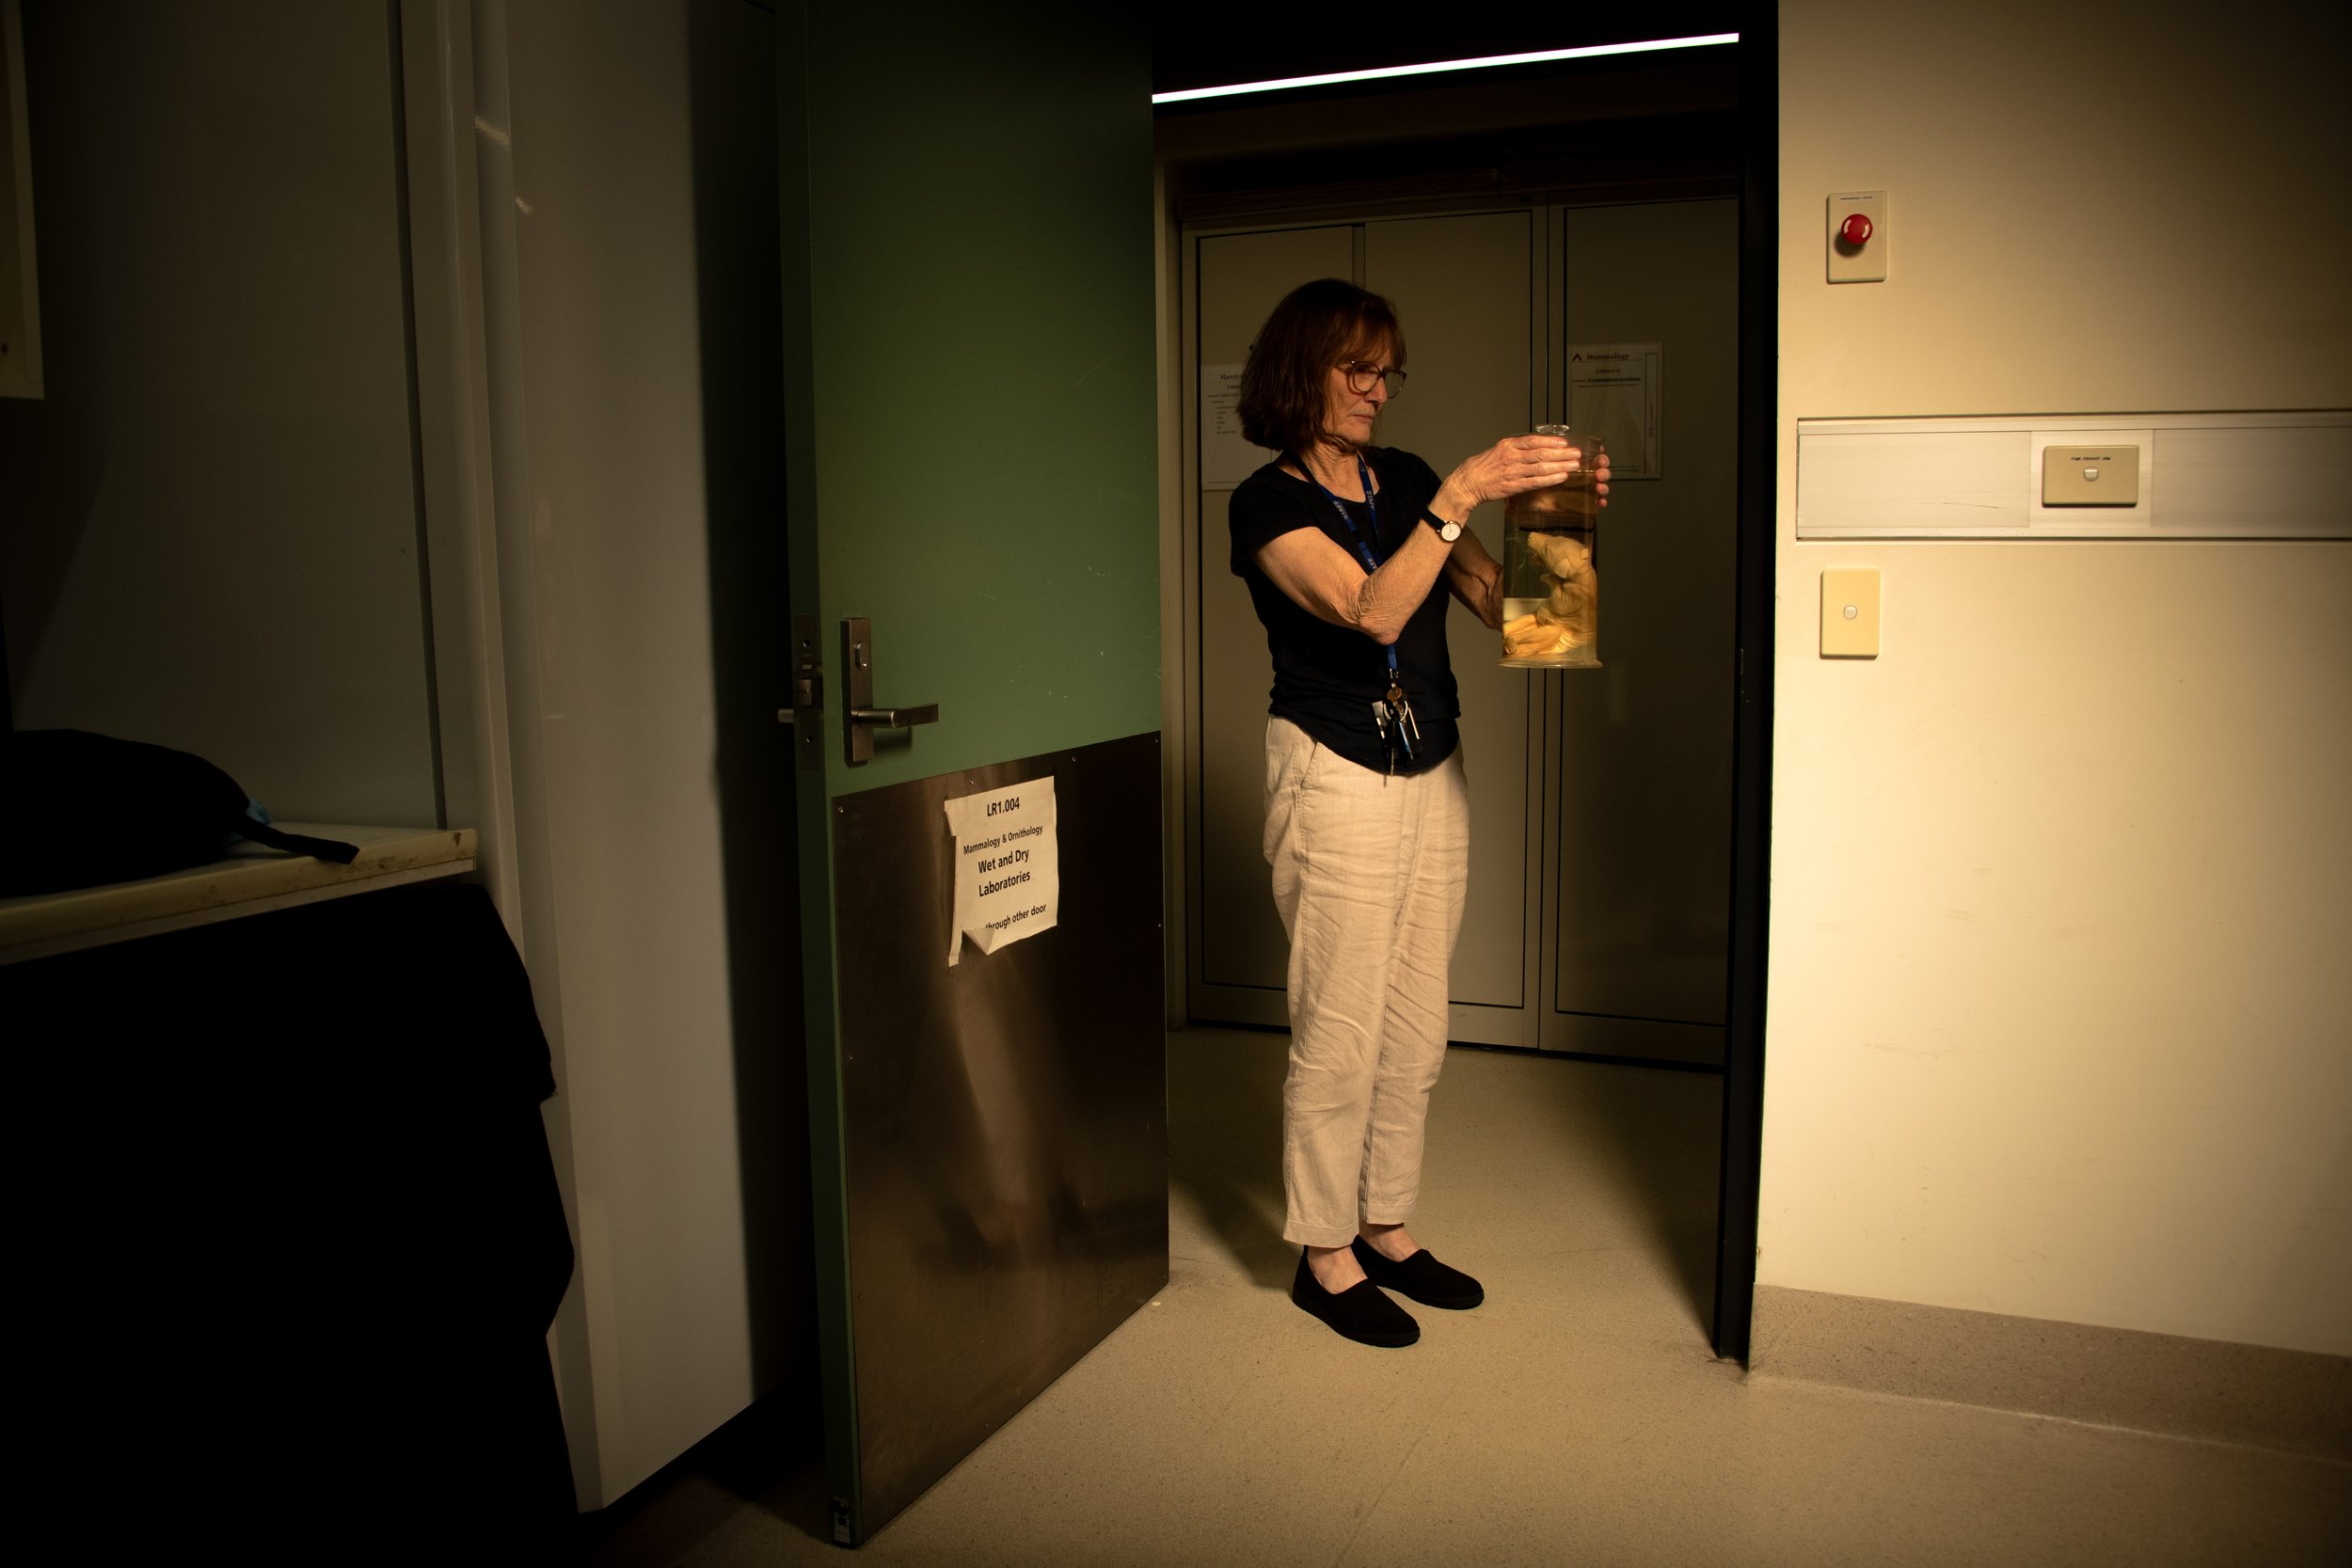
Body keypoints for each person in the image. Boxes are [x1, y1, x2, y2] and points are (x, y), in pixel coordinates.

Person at [1228, 277, 1607, 1348]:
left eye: (1387, 371)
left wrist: (1561, 524)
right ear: (1301, 369)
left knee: (1415, 1022)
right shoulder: (1265, 502)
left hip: (1430, 765)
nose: (1378, 390)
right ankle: (1323, 1251)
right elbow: (1372, 610)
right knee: (1341, 1026)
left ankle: (1384, 1223)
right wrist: (1464, 490)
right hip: (1333, 771)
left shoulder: (1400, 478)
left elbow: (1524, 620)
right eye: (1357, 369)